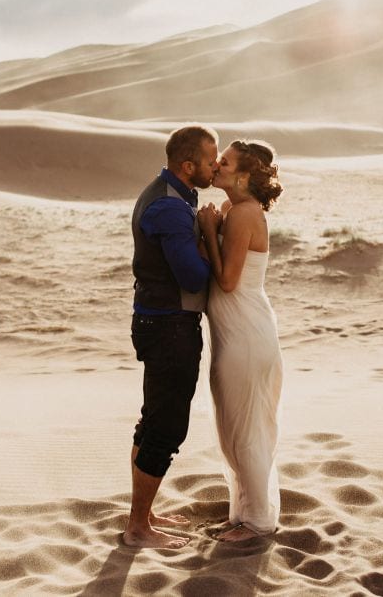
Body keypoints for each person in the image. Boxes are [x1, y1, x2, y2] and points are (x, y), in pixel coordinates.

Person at [124, 125, 219, 549]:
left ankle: (143, 514)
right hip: (169, 327)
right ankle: (138, 528)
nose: (215, 166)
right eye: (210, 160)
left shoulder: (174, 196)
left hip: (160, 322)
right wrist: (212, 242)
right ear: (188, 165)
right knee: (166, 428)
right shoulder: (170, 208)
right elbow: (194, 277)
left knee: (152, 422)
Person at [197, 139, 285, 543]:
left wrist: (209, 231)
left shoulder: (243, 214)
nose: (216, 165)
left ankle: (258, 523)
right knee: (233, 424)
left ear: (244, 176)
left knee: (245, 426)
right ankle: (245, 514)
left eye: (225, 162)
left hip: (245, 334)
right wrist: (211, 233)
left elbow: (228, 281)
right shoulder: (234, 209)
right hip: (237, 332)